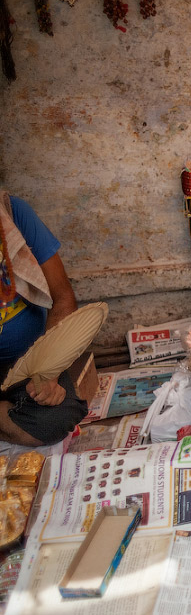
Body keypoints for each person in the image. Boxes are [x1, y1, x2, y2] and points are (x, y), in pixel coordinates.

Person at [0, 191, 86, 446]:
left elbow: (63, 298)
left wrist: (48, 373)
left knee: (55, 419)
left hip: (27, 362)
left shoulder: (11, 212)